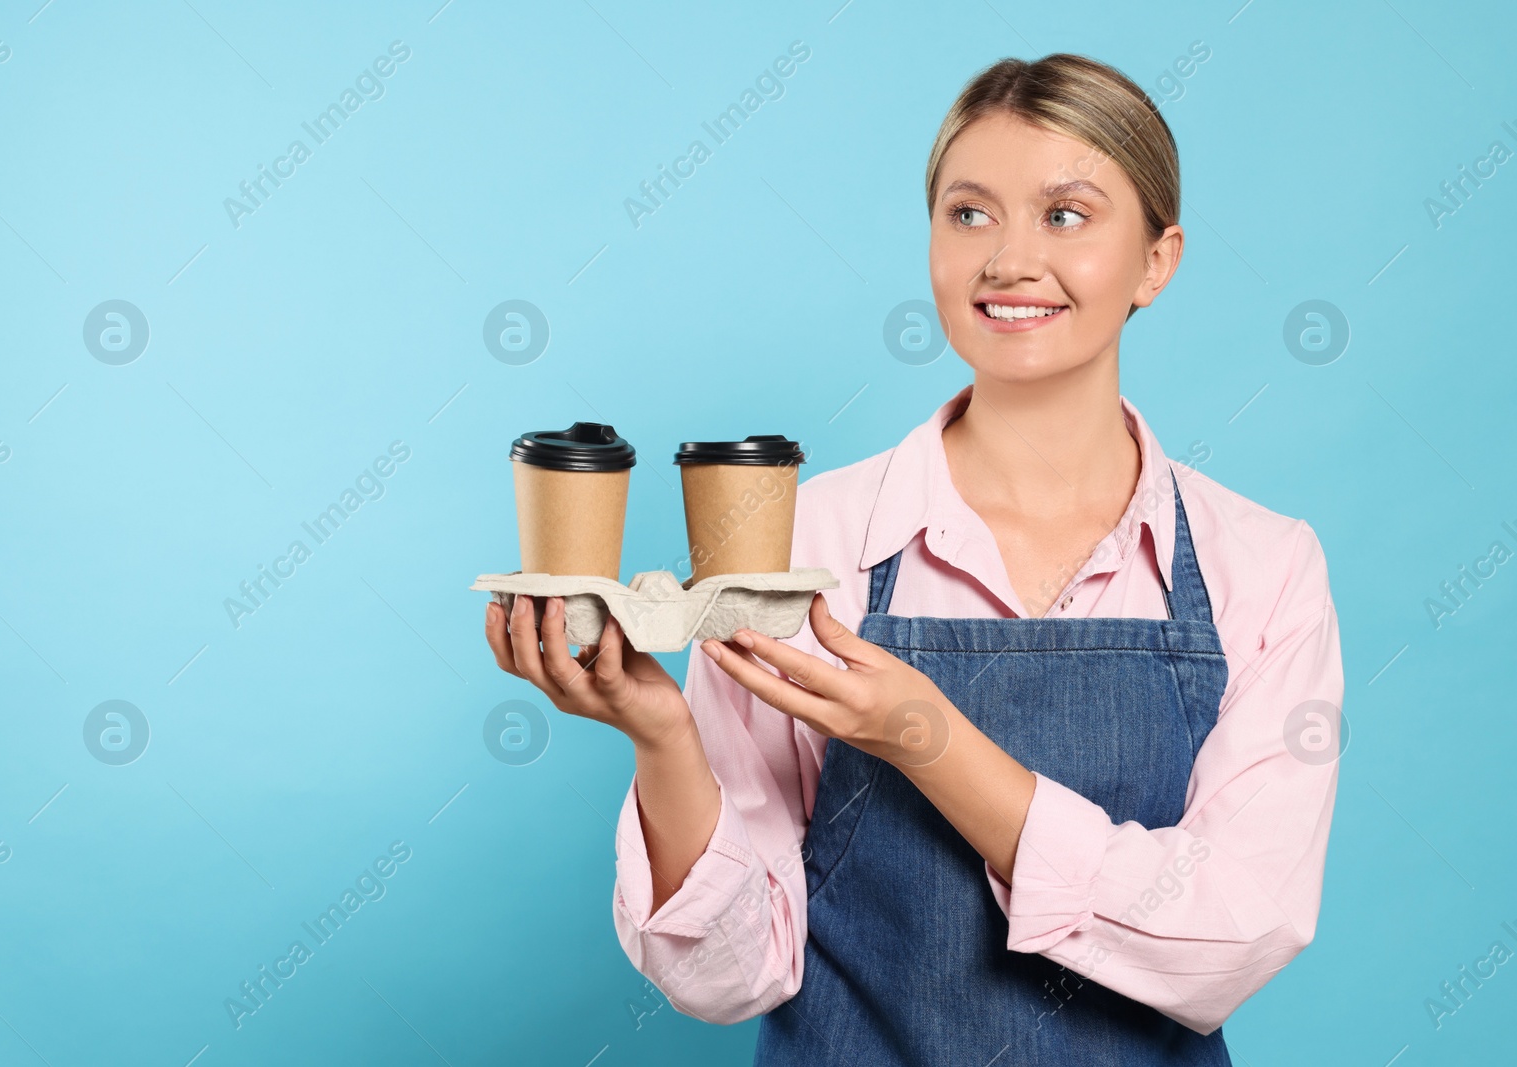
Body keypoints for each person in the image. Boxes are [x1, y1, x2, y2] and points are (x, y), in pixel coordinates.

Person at [485, 52, 1342, 1066]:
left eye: (1066, 214)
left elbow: (1233, 934)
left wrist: (928, 739)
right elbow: (731, 973)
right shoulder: (801, 546)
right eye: (968, 213)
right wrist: (665, 736)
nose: (1008, 259)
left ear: (1158, 259)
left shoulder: (1263, 564)